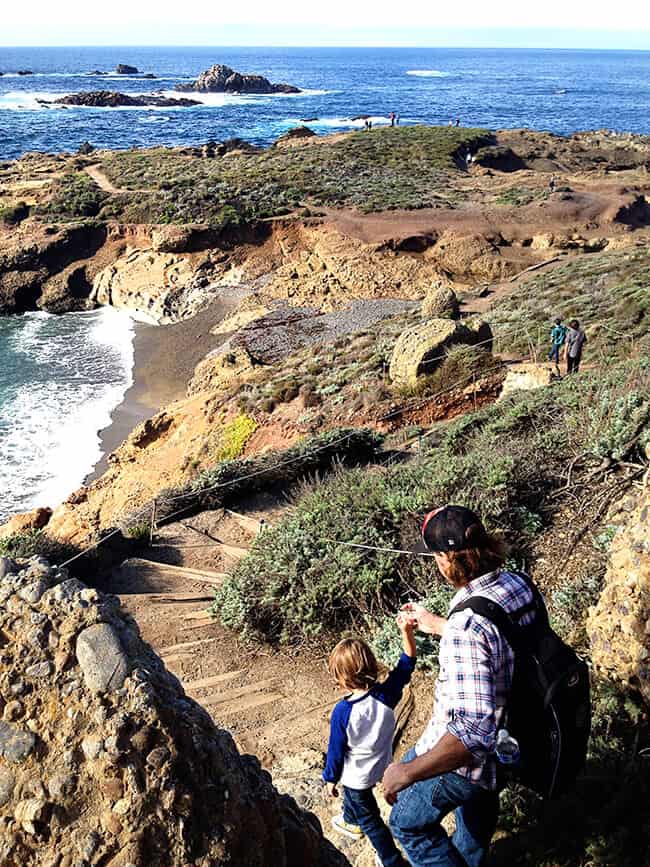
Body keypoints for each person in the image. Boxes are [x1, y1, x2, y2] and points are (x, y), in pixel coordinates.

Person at [384, 505, 545, 867]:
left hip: (468, 762)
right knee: (476, 815)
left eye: (436, 556)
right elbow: (504, 639)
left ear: (446, 561)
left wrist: (405, 773)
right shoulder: (518, 583)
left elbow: (471, 734)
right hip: (514, 740)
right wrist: (438, 624)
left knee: (407, 824)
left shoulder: (467, 628)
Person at [323, 622, 416, 866]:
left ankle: (390, 859)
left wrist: (330, 779)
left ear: (340, 677)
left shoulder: (343, 712)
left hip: (356, 777)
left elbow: (336, 751)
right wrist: (406, 633)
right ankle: (349, 819)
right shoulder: (386, 696)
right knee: (356, 803)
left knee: (371, 820)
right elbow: (407, 664)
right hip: (380, 766)